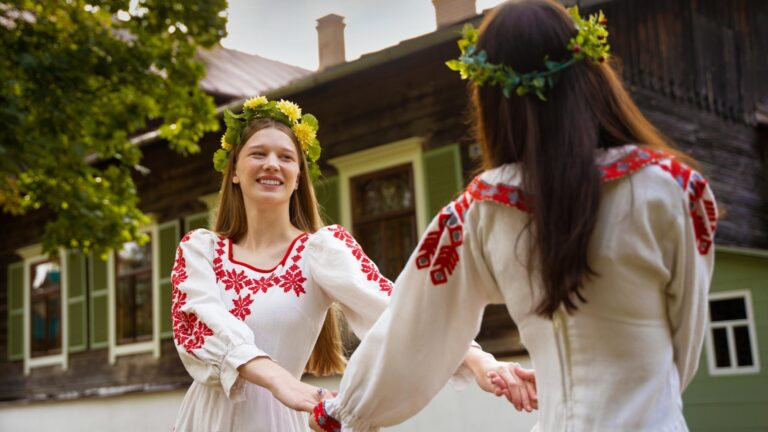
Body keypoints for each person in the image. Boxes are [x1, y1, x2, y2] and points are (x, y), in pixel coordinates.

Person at [309, 1, 718, 431]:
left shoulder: (481, 212)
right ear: (591, 74)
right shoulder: (674, 189)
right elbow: (683, 344)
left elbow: (411, 330)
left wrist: (341, 412)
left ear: (491, 101)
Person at [170, 96, 536, 431]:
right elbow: (198, 328)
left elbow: (400, 313)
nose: (272, 164)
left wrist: (482, 362)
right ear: (234, 171)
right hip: (203, 421)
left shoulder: (319, 251)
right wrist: (280, 381)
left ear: (298, 178)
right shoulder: (200, 251)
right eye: (258, 153)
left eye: (285, 157)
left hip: (278, 422)